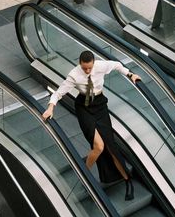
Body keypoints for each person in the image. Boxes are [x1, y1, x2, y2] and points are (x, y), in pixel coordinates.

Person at [42, 51, 141, 200]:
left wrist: (130, 74)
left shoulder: (101, 66)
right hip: (84, 107)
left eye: (89, 68)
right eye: (84, 68)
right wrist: (50, 107)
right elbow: (58, 93)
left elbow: (117, 65)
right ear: (80, 64)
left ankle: (127, 179)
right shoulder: (74, 74)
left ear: (93, 62)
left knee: (110, 145)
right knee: (99, 146)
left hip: (100, 105)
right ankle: (85, 173)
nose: (87, 71)